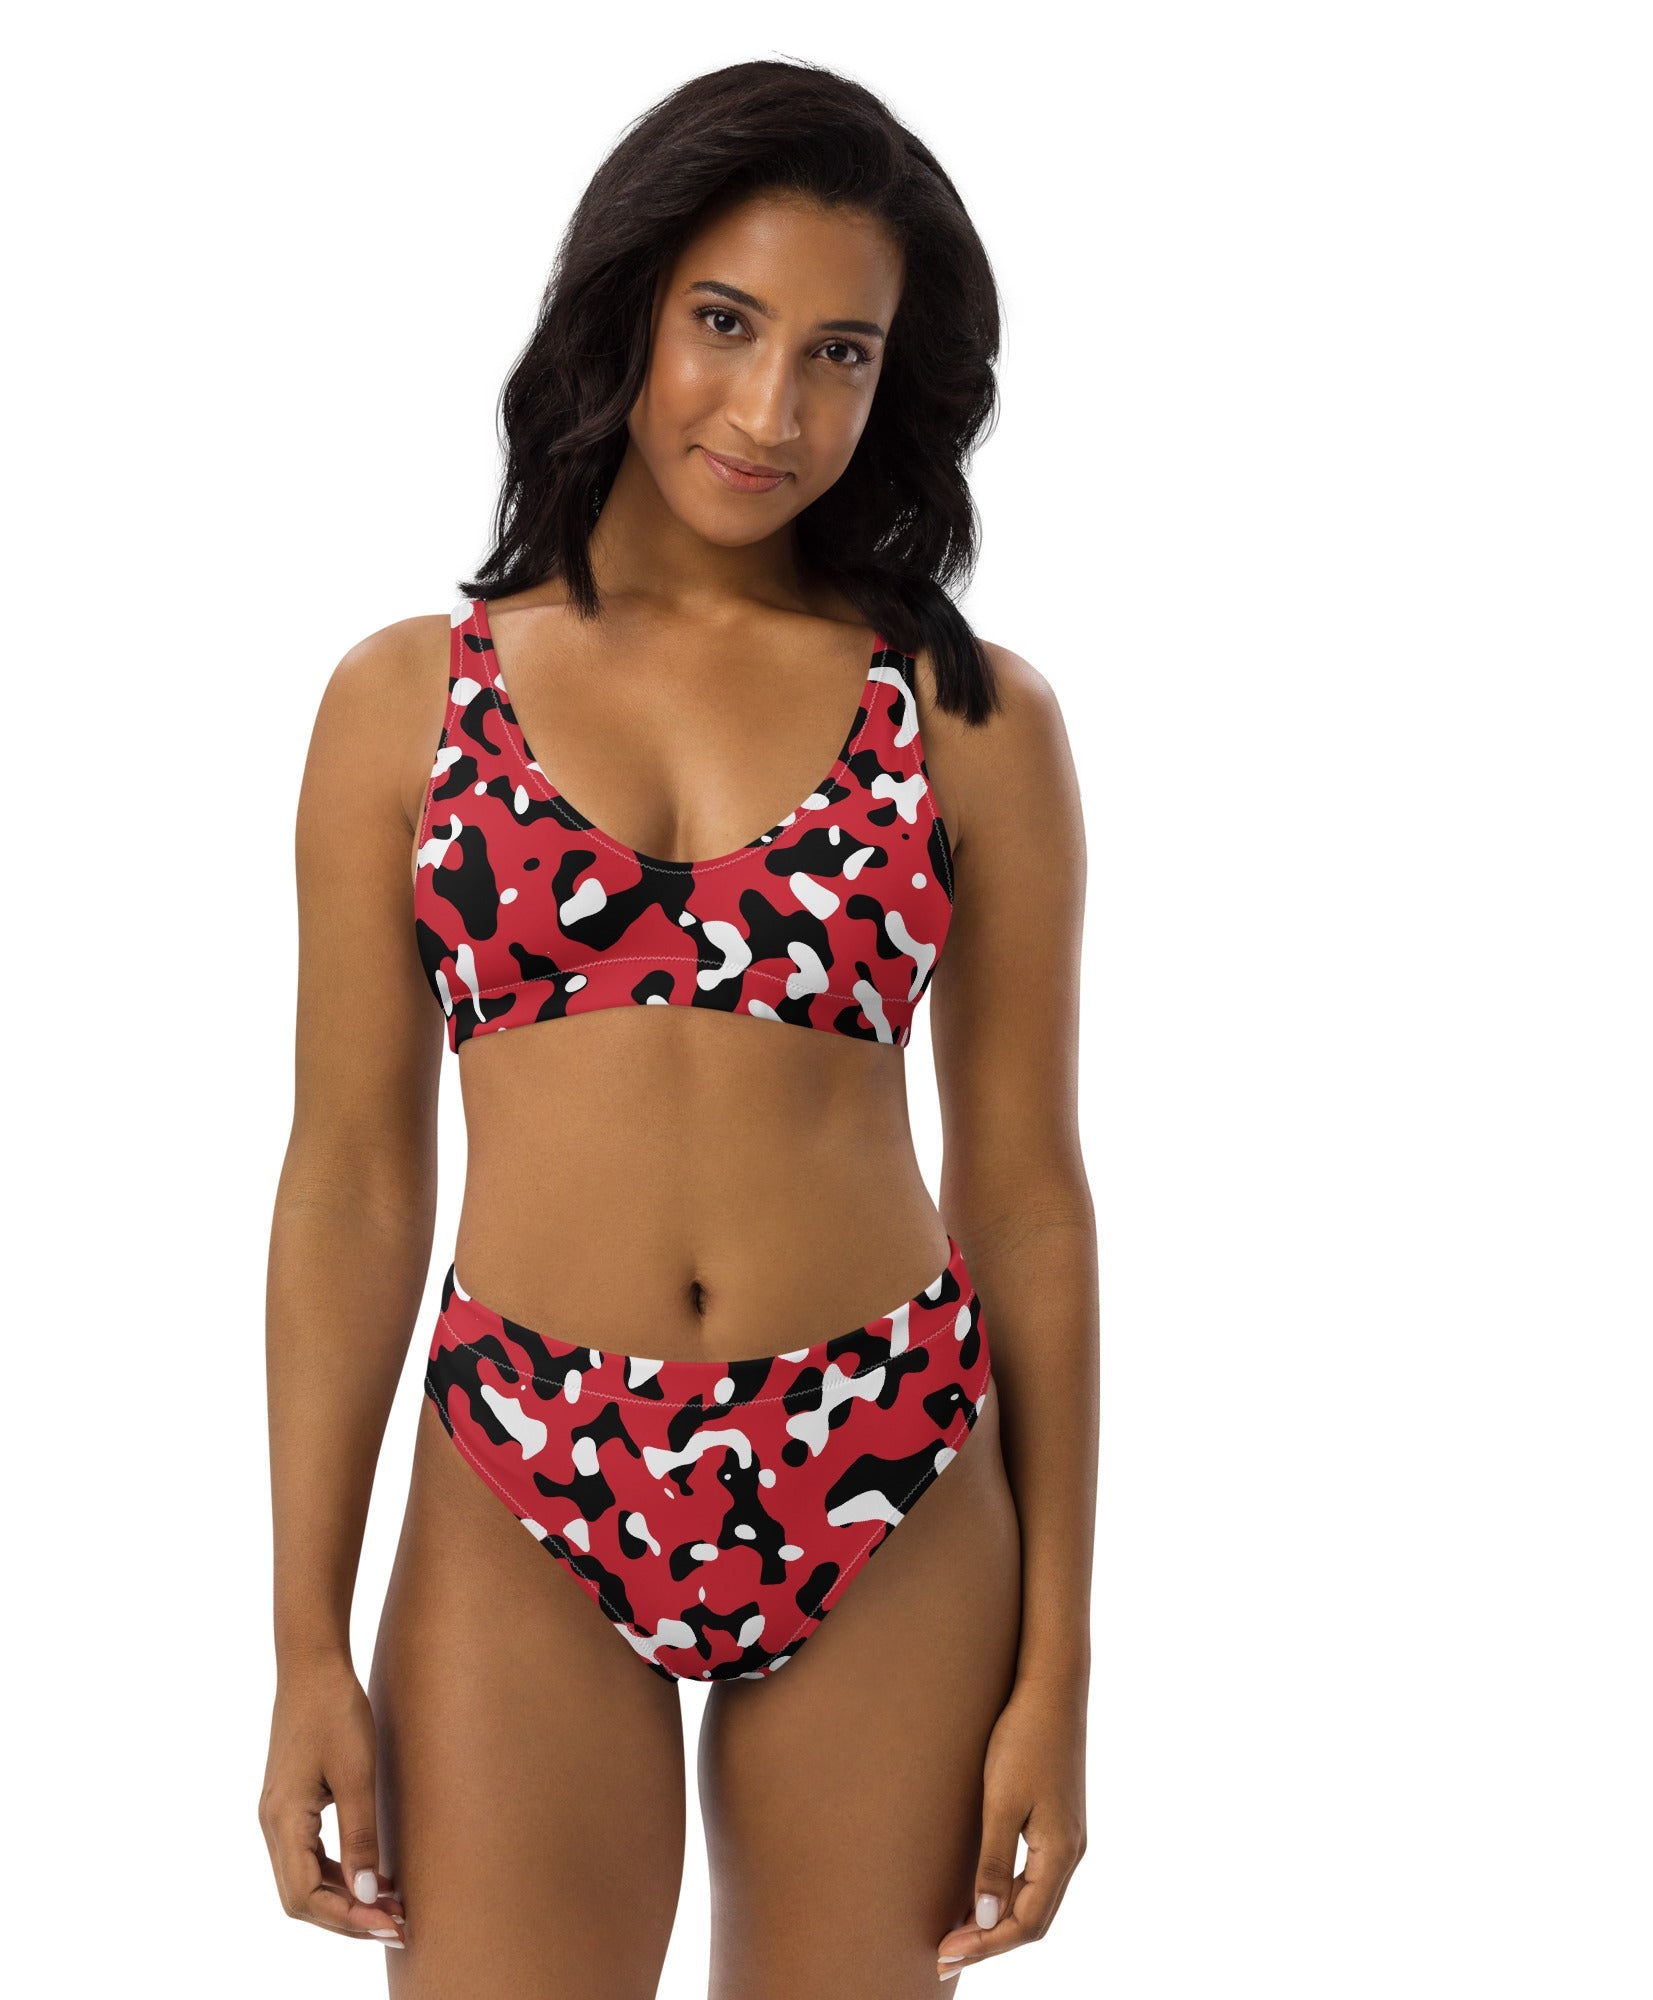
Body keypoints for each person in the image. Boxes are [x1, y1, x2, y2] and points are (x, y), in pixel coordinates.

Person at [257, 58, 1098, 1997]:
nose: (770, 410)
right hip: (523, 1464)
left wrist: (1059, 1664)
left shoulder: (968, 718)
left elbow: (1028, 1195)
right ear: (625, 305)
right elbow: (353, 1182)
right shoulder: (405, 704)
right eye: (725, 323)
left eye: (838, 354)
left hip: (886, 1462)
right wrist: (304, 1639)